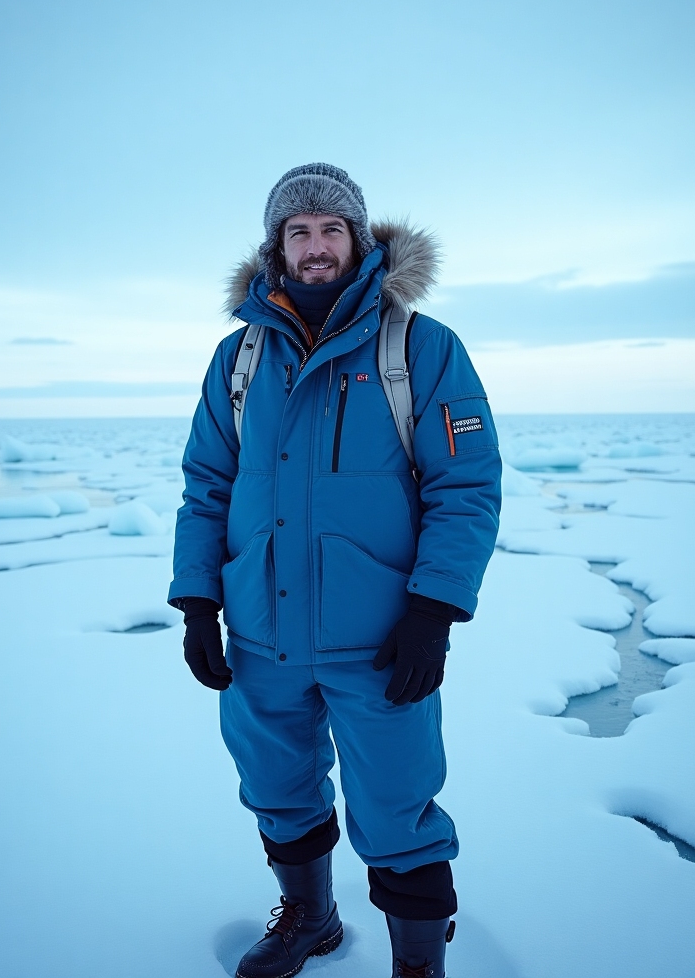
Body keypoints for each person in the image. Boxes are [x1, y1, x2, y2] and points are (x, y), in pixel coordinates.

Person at [169, 163, 502, 978]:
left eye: (330, 230)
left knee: (399, 808)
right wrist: (197, 601)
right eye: (298, 231)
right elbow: (206, 486)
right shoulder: (238, 358)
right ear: (276, 247)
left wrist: (435, 609)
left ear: (358, 240)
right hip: (259, 634)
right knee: (278, 790)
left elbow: (467, 486)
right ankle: (310, 917)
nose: (315, 247)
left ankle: (418, 962)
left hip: (381, 642)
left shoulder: (420, 348)